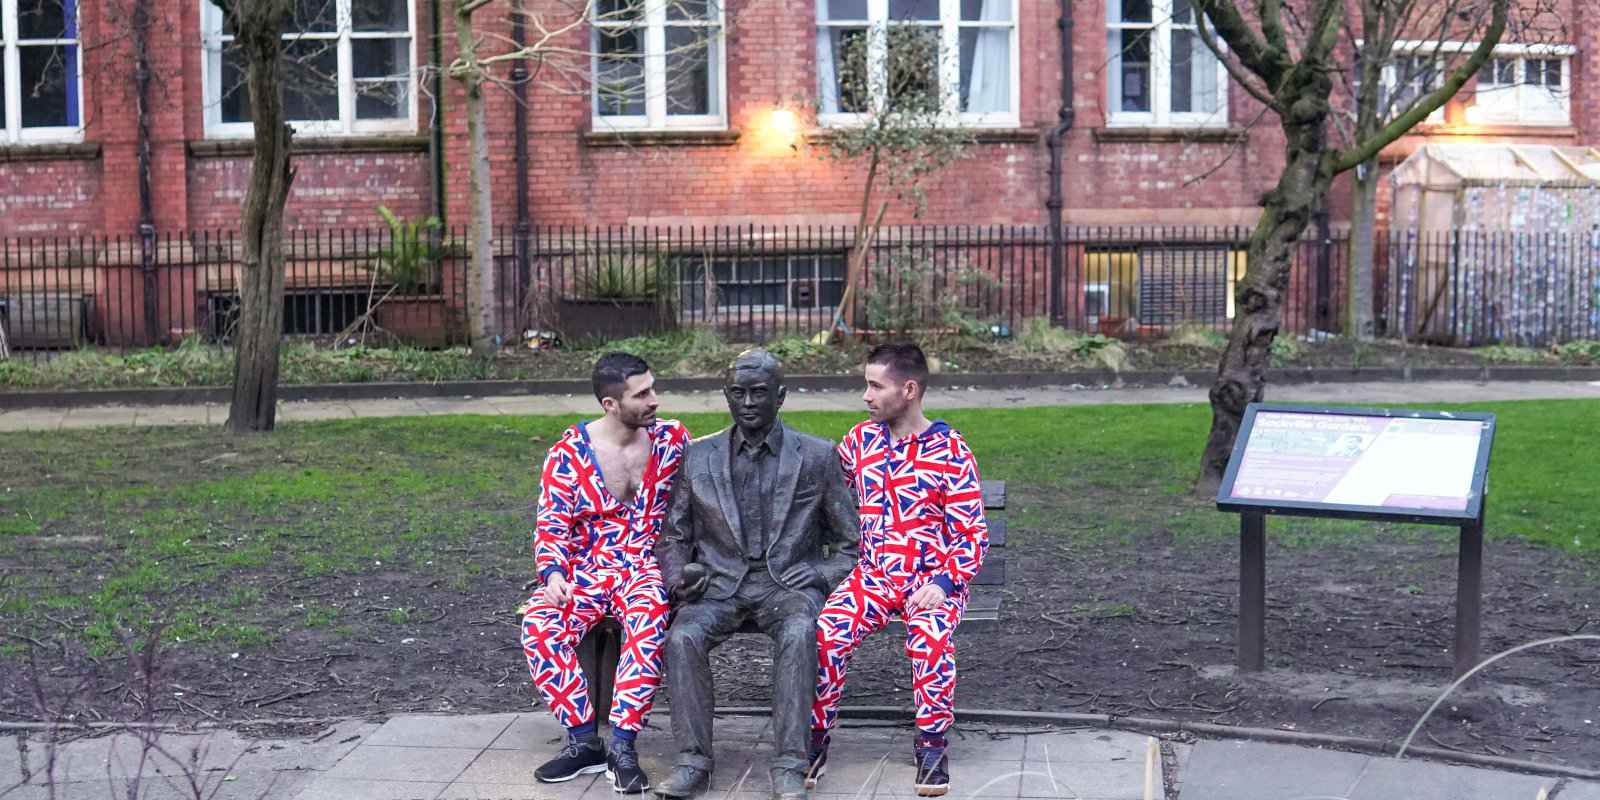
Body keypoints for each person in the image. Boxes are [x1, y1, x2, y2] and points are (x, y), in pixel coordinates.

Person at [654, 349, 860, 800]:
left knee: (800, 633)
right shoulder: (698, 456)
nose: (747, 402)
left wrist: (818, 575)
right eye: (737, 393)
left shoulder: (818, 457)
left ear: (780, 396)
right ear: (726, 396)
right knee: (682, 638)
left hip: (785, 585)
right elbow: (673, 535)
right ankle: (692, 761)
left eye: (759, 393)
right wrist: (678, 578)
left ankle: (789, 764)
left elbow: (849, 544)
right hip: (717, 586)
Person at [809, 342, 989, 798]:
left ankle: (931, 742)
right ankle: (813, 737)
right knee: (827, 631)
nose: (865, 395)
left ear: (909, 389)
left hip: (931, 578)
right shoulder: (860, 441)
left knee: (928, 636)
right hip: (873, 575)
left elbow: (972, 534)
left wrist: (945, 583)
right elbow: (825, 497)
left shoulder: (950, 450)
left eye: (875, 385)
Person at [520, 352, 690, 794]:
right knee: (539, 626)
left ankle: (622, 745)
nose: (655, 400)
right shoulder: (568, 453)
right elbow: (551, 524)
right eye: (643, 394)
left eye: (653, 388)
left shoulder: (671, 440)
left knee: (651, 617)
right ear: (610, 404)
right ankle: (582, 741)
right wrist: (553, 574)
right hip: (586, 570)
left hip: (645, 566)